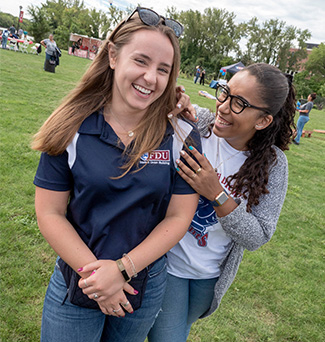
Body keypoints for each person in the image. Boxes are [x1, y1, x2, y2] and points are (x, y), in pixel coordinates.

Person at [32, 7, 201, 342]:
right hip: (77, 281)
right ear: (113, 55)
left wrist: (122, 269)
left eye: (163, 69)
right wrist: (100, 280)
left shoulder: (181, 133)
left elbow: (179, 216)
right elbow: (49, 212)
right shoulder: (71, 126)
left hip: (143, 288)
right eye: (141, 61)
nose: (151, 78)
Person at [148, 63, 296, 342]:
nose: (224, 107)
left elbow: (258, 235)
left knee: (178, 331)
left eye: (239, 103)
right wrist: (173, 98)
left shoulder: (273, 164)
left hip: (209, 279)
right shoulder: (198, 125)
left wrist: (217, 194)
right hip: (169, 263)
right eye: (224, 93)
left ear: (263, 120)